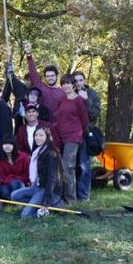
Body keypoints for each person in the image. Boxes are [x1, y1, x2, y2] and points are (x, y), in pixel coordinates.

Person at [11, 127, 66, 218]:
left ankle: (51, 207)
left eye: (41, 135)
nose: (38, 138)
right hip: (38, 187)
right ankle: (36, 205)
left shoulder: (51, 153)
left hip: (48, 190)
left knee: (25, 215)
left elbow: (52, 179)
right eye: (36, 135)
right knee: (14, 195)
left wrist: (46, 201)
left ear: (47, 137)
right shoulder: (39, 151)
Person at [55, 74, 89, 202]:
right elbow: (58, 118)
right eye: (63, 83)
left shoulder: (79, 100)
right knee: (60, 167)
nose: (66, 86)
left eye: (68, 83)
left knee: (68, 167)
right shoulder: (61, 100)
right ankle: (61, 197)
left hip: (73, 137)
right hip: (60, 136)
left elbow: (85, 120)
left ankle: (71, 199)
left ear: (74, 85)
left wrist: (79, 134)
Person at [74, 71, 101, 201]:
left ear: (84, 80)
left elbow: (94, 115)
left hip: (85, 134)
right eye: (75, 80)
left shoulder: (92, 94)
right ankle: (72, 194)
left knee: (84, 165)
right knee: (71, 165)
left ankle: (84, 196)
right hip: (70, 134)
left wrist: (86, 100)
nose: (78, 83)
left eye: (80, 80)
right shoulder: (69, 93)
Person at [25, 43, 65, 121]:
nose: (50, 78)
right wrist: (29, 55)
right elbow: (33, 73)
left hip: (57, 127)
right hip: (41, 126)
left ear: (57, 76)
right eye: (48, 76)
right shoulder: (41, 87)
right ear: (45, 77)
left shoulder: (63, 92)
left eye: (52, 76)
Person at [0, 136, 30, 200]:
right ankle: (12, 203)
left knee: (14, 184)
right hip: (5, 183)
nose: (7, 146)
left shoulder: (24, 157)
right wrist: (11, 179)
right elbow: (0, 177)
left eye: (10, 144)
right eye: (5, 144)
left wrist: (12, 179)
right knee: (4, 192)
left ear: (14, 145)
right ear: (1, 146)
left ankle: (18, 200)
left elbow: (26, 175)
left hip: (20, 182)